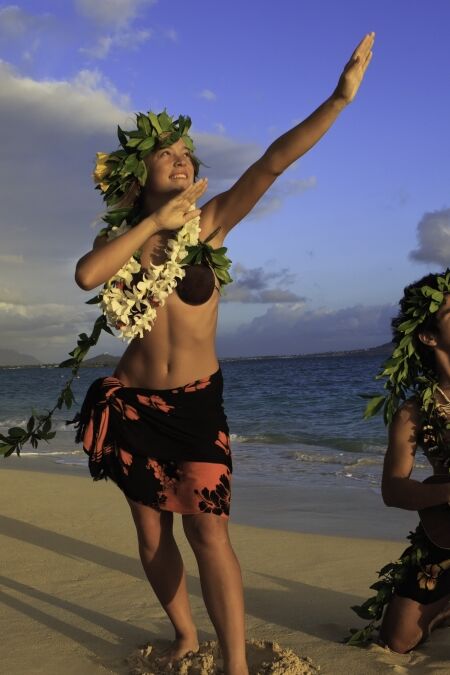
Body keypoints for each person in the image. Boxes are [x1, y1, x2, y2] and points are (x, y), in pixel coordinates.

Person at [74, 33, 374, 675]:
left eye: (187, 152)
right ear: (138, 176)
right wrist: (150, 226)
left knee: (209, 530)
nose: (181, 160)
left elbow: (270, 163)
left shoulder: (207, 227)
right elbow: (85, 276)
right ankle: (184, 634)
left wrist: (338, 98)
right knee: (152, 532)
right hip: (134, 407)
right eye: (166, 154)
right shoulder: (124, 240)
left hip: (196, 406)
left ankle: (235, 665)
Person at [349, 271, 450, 652]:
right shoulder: (415, 411)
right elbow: (393, 488)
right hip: (446, 533)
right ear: (428, 336)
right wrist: (446, 493)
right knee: (396, 640)